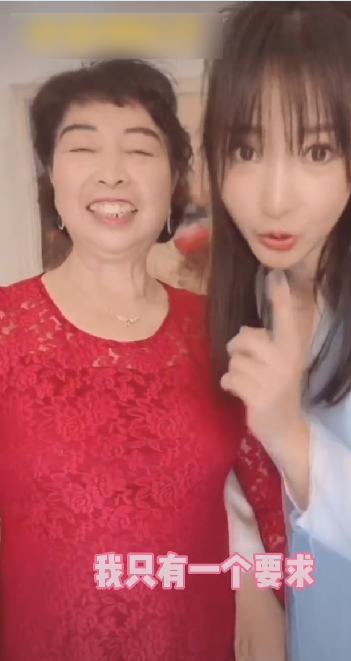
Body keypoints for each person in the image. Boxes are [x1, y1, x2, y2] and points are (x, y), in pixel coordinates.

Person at [0, 59, 286, 661]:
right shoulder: (7, 328)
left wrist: (258, 587)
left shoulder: (221, 331)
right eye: (83, 149)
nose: (112, 173)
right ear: (51, 173)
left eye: (139, 150)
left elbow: (267, 496)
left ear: (175, 177)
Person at [203, 2, 351, 660]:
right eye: (245, 148)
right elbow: (242, 466)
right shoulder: (272, 283)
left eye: (317, 149)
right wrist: (250, 579)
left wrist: (292, 433)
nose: (273, 198)